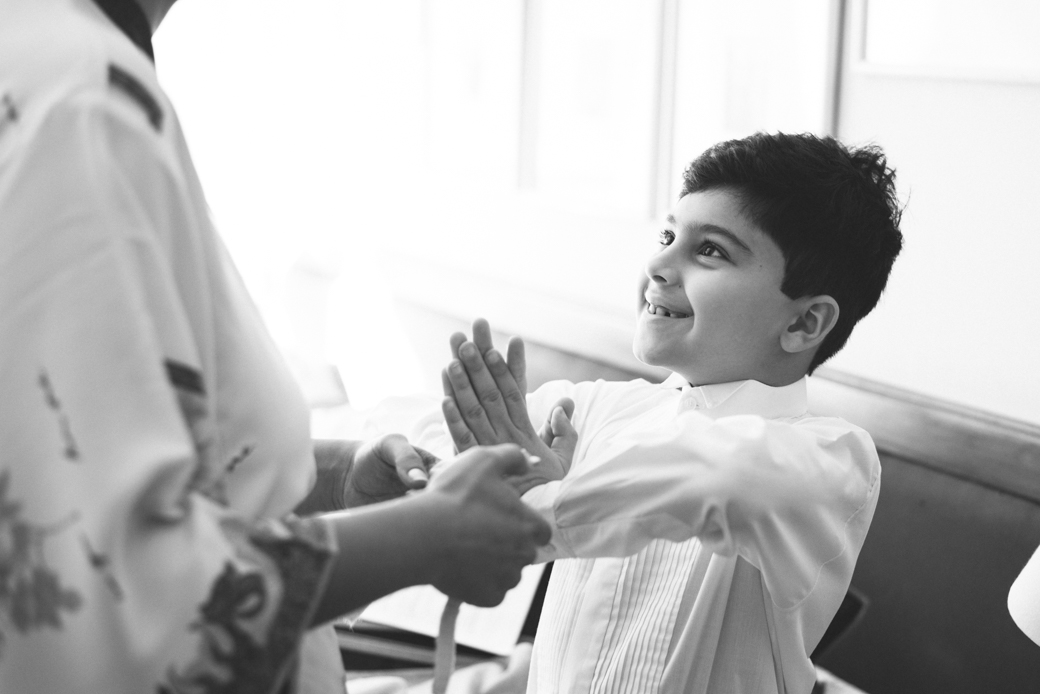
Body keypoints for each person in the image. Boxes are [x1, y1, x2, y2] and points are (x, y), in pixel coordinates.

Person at [0, 0, 552, 692]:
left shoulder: (52, 64)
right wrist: (429, 536)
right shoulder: (84, 102)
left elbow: (86, 448)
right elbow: (123, 593)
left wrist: (329, 480)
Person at [427, 132, 904, 693]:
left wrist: (544, 499)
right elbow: (429, 440)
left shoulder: (829, 460)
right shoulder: (601, 408)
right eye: (667, 236)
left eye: (711, 251)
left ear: (803, 323)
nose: (657, 263)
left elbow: (721, 477)